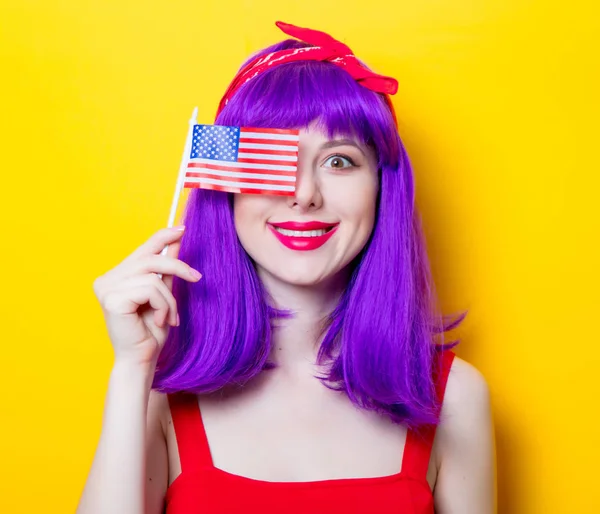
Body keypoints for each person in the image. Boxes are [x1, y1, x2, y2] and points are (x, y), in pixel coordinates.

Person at [77, 21, 495, 514]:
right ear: (227, 189)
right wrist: (131, 370)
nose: (304, 195)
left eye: (339, 161)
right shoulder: (159, 393)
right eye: (274, 158)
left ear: (383, 190)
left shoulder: (453, 398)